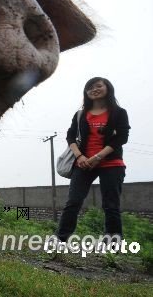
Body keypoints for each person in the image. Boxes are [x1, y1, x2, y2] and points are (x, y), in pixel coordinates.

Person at [56, 77, 130, 242]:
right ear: (86, 93)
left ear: (107, 88)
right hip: (83, 163)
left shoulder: (119, 112)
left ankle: (113, 243)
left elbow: (121, 138)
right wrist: (80, 156)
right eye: (90, 88)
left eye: (98, 86)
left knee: (111, 205)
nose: (94, 89)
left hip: (111, 163)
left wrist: (98, 157)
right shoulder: (80, 114)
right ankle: (60, 239)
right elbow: (70, 136)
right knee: (73, 202)